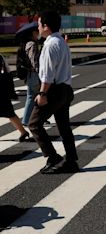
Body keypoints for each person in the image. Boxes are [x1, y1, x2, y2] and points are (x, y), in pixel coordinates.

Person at [28, 11, 78, 174]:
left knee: (34, 124)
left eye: (39, 24)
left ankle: (52, 156)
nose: (38, 27)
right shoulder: (62, 42)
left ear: (46, 26)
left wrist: (42, 94)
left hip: (53, 90)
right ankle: (71, 160)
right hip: (65, 89)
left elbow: (48, 75)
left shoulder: (50, 46)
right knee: (64, 127)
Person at [0, 54, 30, 142]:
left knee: (10, 113)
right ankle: (23, 132)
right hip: (3, 90)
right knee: (10, 113)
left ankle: (23, 132)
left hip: (1, 91)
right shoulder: (1, 56)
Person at [21, 26, 40, 131]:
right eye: (37, 32)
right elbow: (34, 61)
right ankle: (29, 119)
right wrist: (39, 72)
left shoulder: (29, 43)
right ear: (33, 33)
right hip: (33, 74)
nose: (38, 34)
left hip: (30, 74)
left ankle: (28, 119)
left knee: (32, 97)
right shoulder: (32, 44)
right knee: (37, 96)